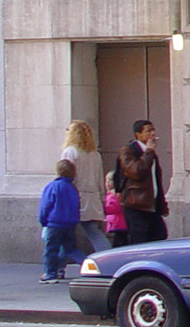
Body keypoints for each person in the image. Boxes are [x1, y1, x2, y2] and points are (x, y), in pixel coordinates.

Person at [115, 119, 170, 244]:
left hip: (151, 205)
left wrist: (162, 205)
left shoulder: (151, 153)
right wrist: (149, 151)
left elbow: (155, 180)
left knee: (160, 235)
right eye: (148, 131)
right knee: (140, 239)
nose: (153, 134)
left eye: (153, 130)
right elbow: (136, 171)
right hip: (136, 204)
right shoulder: (129, 150)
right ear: (138, 134)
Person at [59, 120, 107, 252]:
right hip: (93, 197)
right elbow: (99, 178)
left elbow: (66, 175)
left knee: (66, 234)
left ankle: (59, 265)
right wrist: (102, 197)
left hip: (75, 196)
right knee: (93, 231)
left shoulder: (70, 152)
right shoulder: (95, 155)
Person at [37, 159, 83, 283]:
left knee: (51, 249)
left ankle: (50, 274)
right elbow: (77, 205)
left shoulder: (53, 186)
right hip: (70, 224)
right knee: (70, 249)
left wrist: (43, 220)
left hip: (54, 223)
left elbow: (45, 206)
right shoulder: (72, 188)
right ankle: (88, 265)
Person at [104, 171, 129, 250]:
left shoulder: (114, 194)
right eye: (106, 180)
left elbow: (115, 207)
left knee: (119, 242)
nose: (108, 183)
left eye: (110, 180)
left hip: (118, 223)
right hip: (115, 222)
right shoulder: (110, 194)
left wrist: (104, 209)